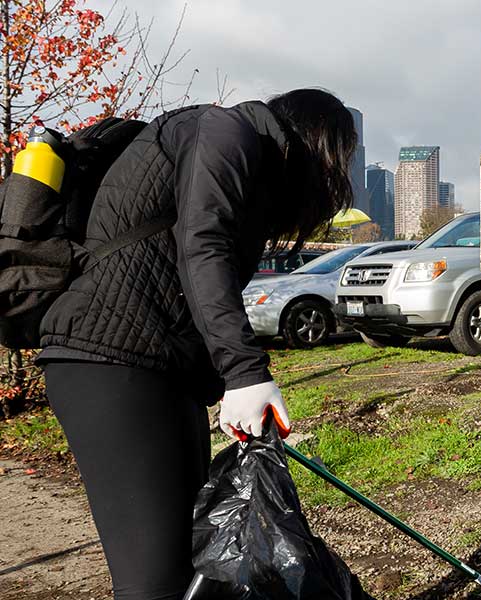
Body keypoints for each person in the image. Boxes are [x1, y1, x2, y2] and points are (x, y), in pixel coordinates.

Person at [36, 89, 358, 600]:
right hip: (109, 362)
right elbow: (201, 246)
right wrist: (245, 373)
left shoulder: (247, 170)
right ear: (316, 141)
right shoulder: (225, 132)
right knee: (154, 582)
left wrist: (224, 383)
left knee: (196, 566)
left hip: (160, 371)